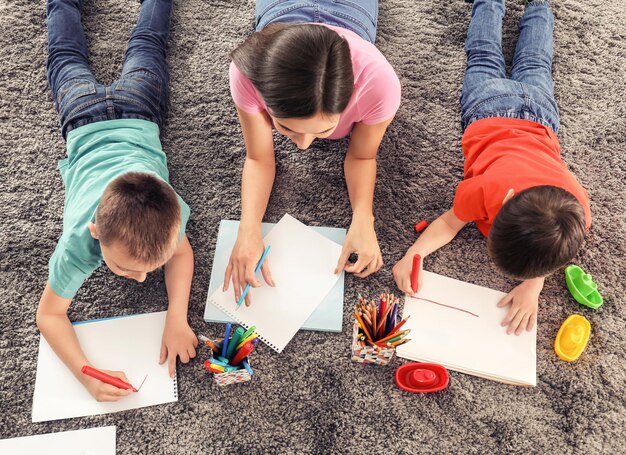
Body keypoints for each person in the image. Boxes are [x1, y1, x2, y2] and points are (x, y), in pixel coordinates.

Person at [393, 0, 591, 335]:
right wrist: (414, 255)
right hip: (490, 108)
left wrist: (533, 286)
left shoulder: (576, 211)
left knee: (532, 62)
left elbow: (454, 222)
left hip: (538, 113)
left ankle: (519, 5)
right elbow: (449, 223)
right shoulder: (492, 191)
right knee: (490, 55)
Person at [36, 0, 197, 402]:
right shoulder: (78, 244)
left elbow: (180, 254)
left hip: (120, 111)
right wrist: (84, 375)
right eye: (128, 267)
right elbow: (47, 316)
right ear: (95, 232)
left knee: (140, 45)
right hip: (93, 112)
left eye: (149, 269)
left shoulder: (173, 212)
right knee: (98, 49)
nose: (142, 279)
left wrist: (177, 317)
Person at [225, 0, 401, 305]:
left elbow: (362, 156)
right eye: (286, 127)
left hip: (351, 12)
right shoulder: (247, 76)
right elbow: (258, 157)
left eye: (322, 131)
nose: (304, 145)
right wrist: (248, 227)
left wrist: (364, 217)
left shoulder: (379, 84)